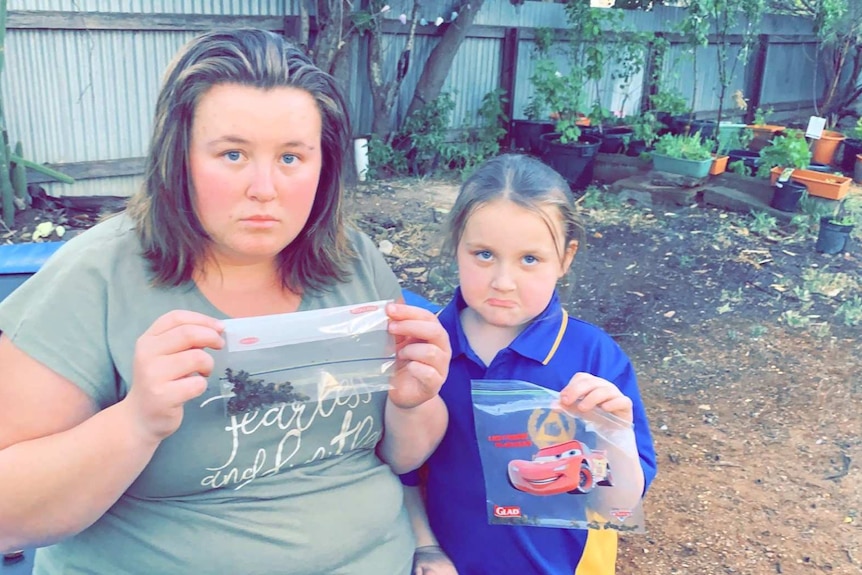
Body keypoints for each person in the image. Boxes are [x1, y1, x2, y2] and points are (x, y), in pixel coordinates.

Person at [0, 29, 451, 574]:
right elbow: (10, 515)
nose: (264, 187)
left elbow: (405, 455)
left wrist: (413, 401)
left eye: (291, 157)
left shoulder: (351, 259)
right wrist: (136, 422)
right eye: (232, 154)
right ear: (181, 157)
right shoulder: (97, 277)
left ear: (324, 164)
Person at [405, 154, 657, 575]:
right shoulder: (427, 346)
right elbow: (401, 471)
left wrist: (614, 435)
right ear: (457, 247)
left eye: (529, 259)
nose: (503, 281)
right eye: (484, 254)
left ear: (566, 258)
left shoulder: (594, 358)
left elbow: (620, 502)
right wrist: (425, 549)